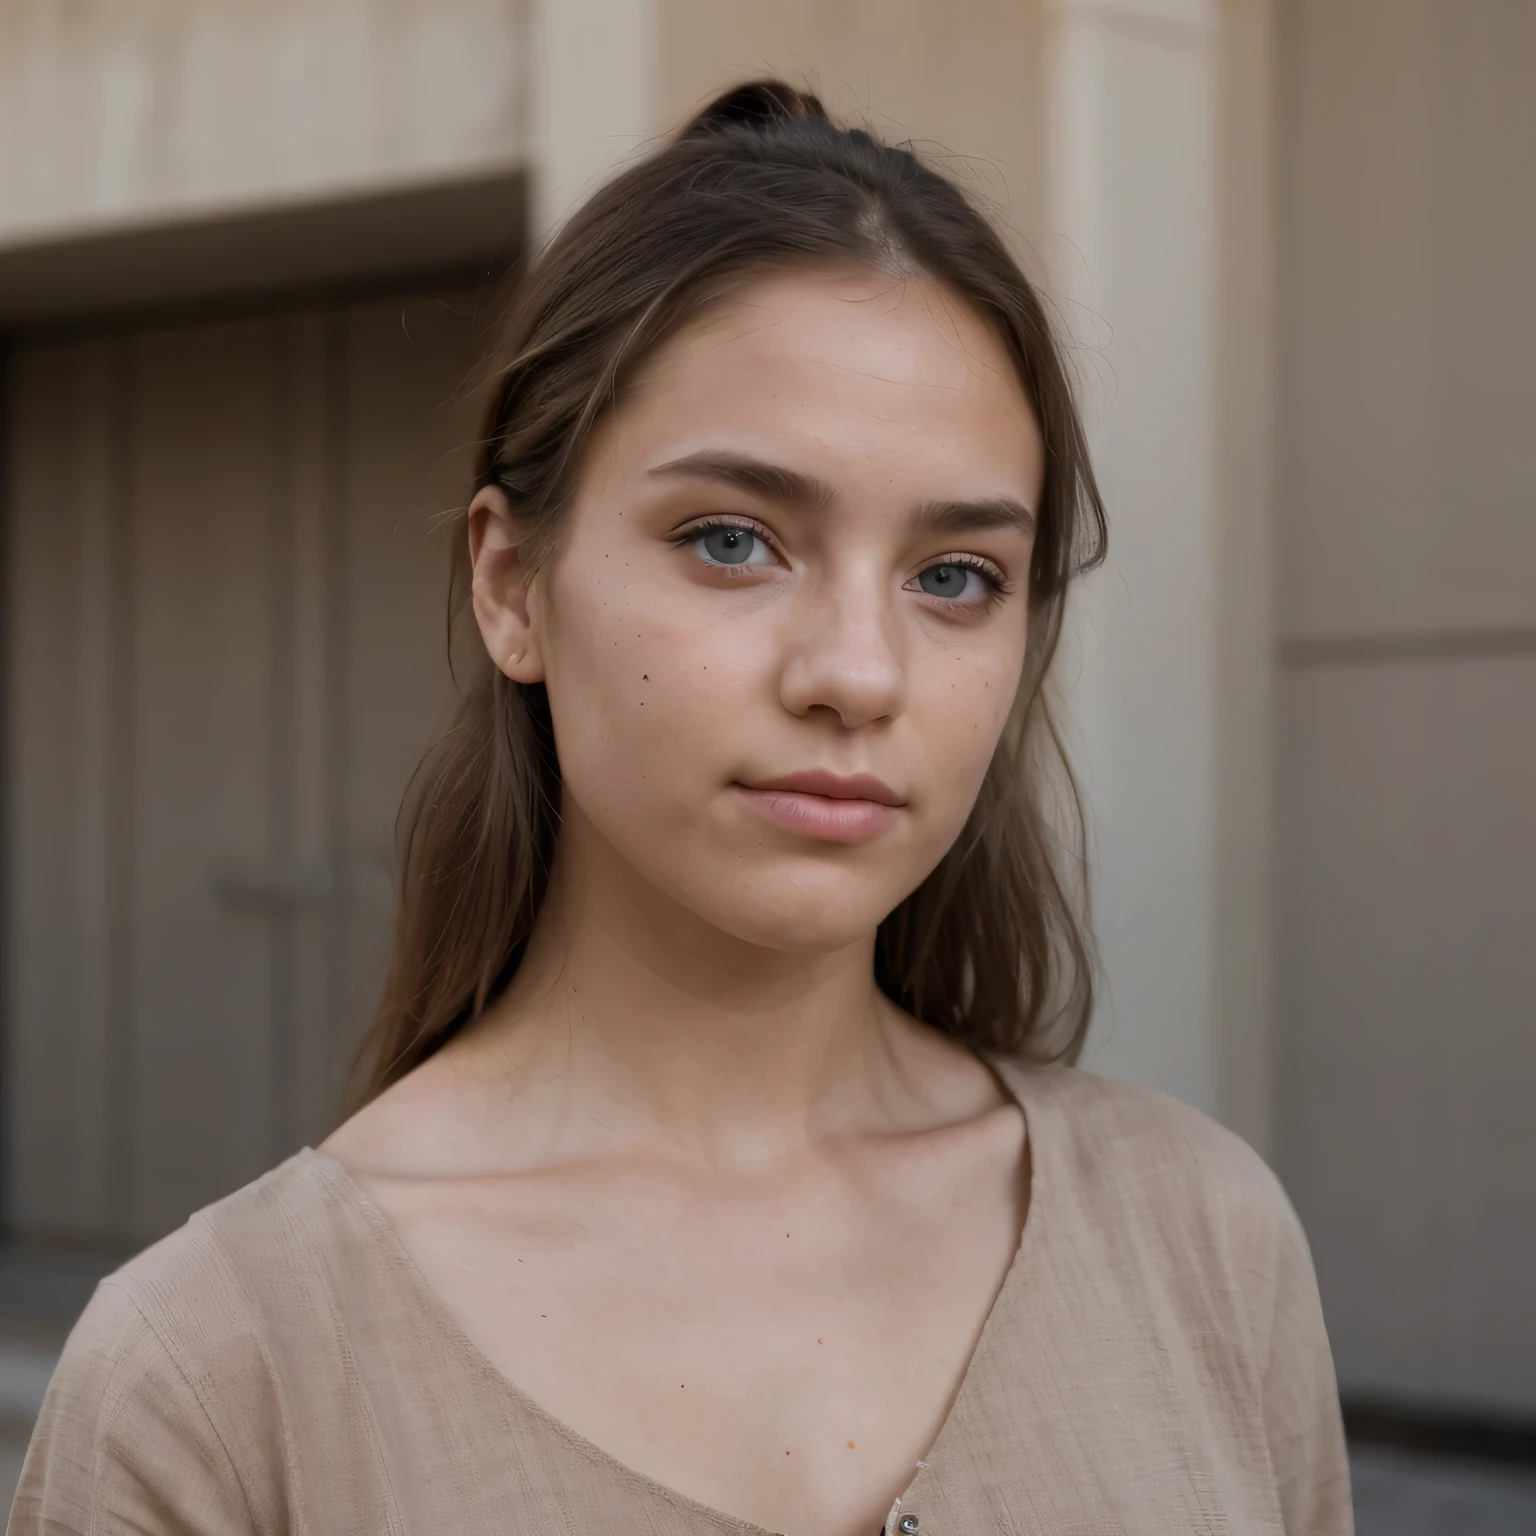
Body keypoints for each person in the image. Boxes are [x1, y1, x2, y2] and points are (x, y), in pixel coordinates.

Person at [9, 81, 1351, 1536]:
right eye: (733, 541)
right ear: (512, 585)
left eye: (955, 575)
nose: (857, 672)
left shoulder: (1204, 1238)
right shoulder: (216, 1379)